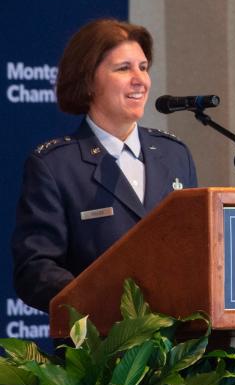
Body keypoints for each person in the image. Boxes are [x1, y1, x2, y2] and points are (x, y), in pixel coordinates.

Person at [11, 18, 198, 312]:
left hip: (176, 348)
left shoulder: (175, 155)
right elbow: (35, 269)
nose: (140, 80)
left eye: (143, 67)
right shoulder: (55, 165)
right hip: (99, 349)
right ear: (88, 80)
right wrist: (101, 302)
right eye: (124, 68)